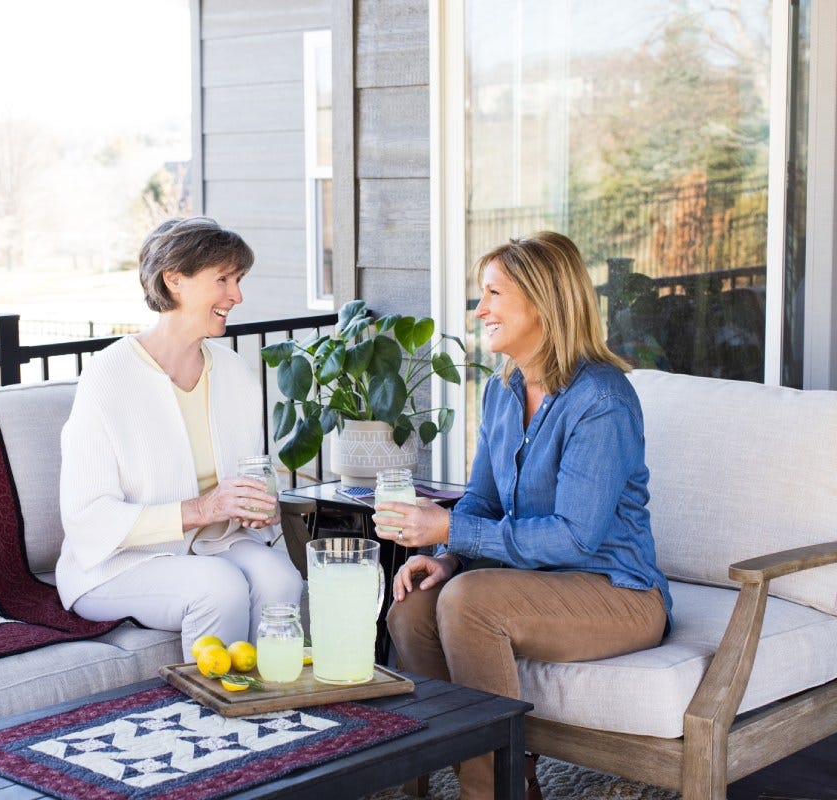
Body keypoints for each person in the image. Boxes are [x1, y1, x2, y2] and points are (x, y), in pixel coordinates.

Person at [375, 231, 672, 799]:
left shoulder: (601, 400)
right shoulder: (501, 390)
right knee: (412, 612)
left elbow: (575, 538)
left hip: (619, 593)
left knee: (470, 602)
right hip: (533, 585)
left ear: (543, 301)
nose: (480, 309)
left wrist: (447, 528)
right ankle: (511, 777)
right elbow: (482, 501)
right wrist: (446, 556)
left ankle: (487, 794)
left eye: (493, 294)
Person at [57, 216, 303, 661]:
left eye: (239, 279)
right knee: (218, 586)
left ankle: (277, 703)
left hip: (216, 542)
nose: (237, 295)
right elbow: (86, 517)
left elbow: (248, 476)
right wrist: (201, 509)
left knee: (282, 580)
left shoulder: (233, 371)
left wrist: (257, 503)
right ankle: (220, 718)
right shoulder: (109, 375)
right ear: (174, 281)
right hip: (117, 563)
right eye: (223, 279)